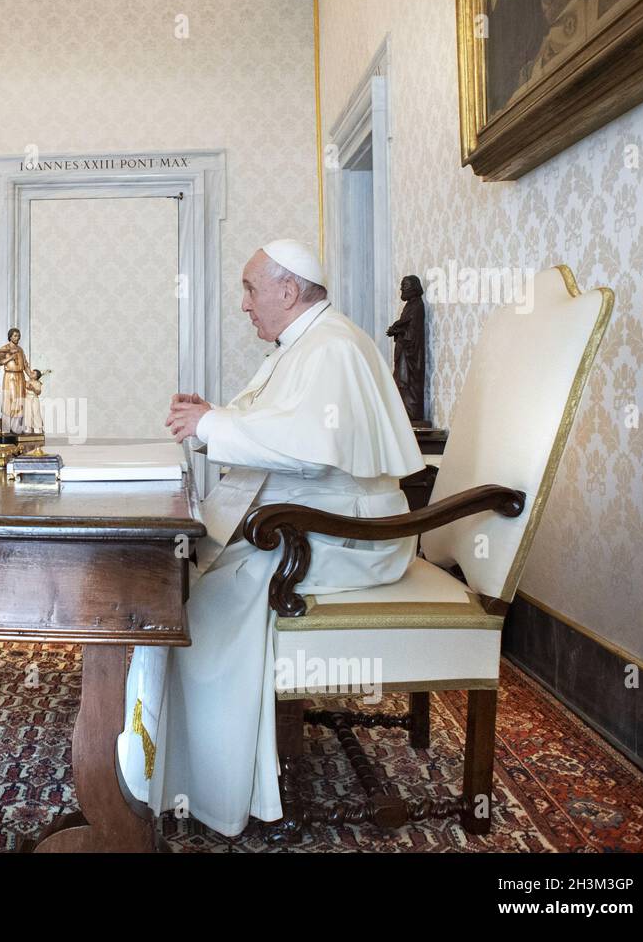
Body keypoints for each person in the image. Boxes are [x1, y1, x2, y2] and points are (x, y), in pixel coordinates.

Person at [119, 239, 424, 836]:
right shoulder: (306, 342)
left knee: (198, 605)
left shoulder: (331, 345)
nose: (243, 304)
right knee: (182, 577)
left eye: (250, 289)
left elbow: (308, 449)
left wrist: (213, 424)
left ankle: (209, 784)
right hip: (318, 521)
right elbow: (281, 427)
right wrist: (214, 417)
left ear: (288, 291)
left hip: (347, 536)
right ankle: (172, 760)